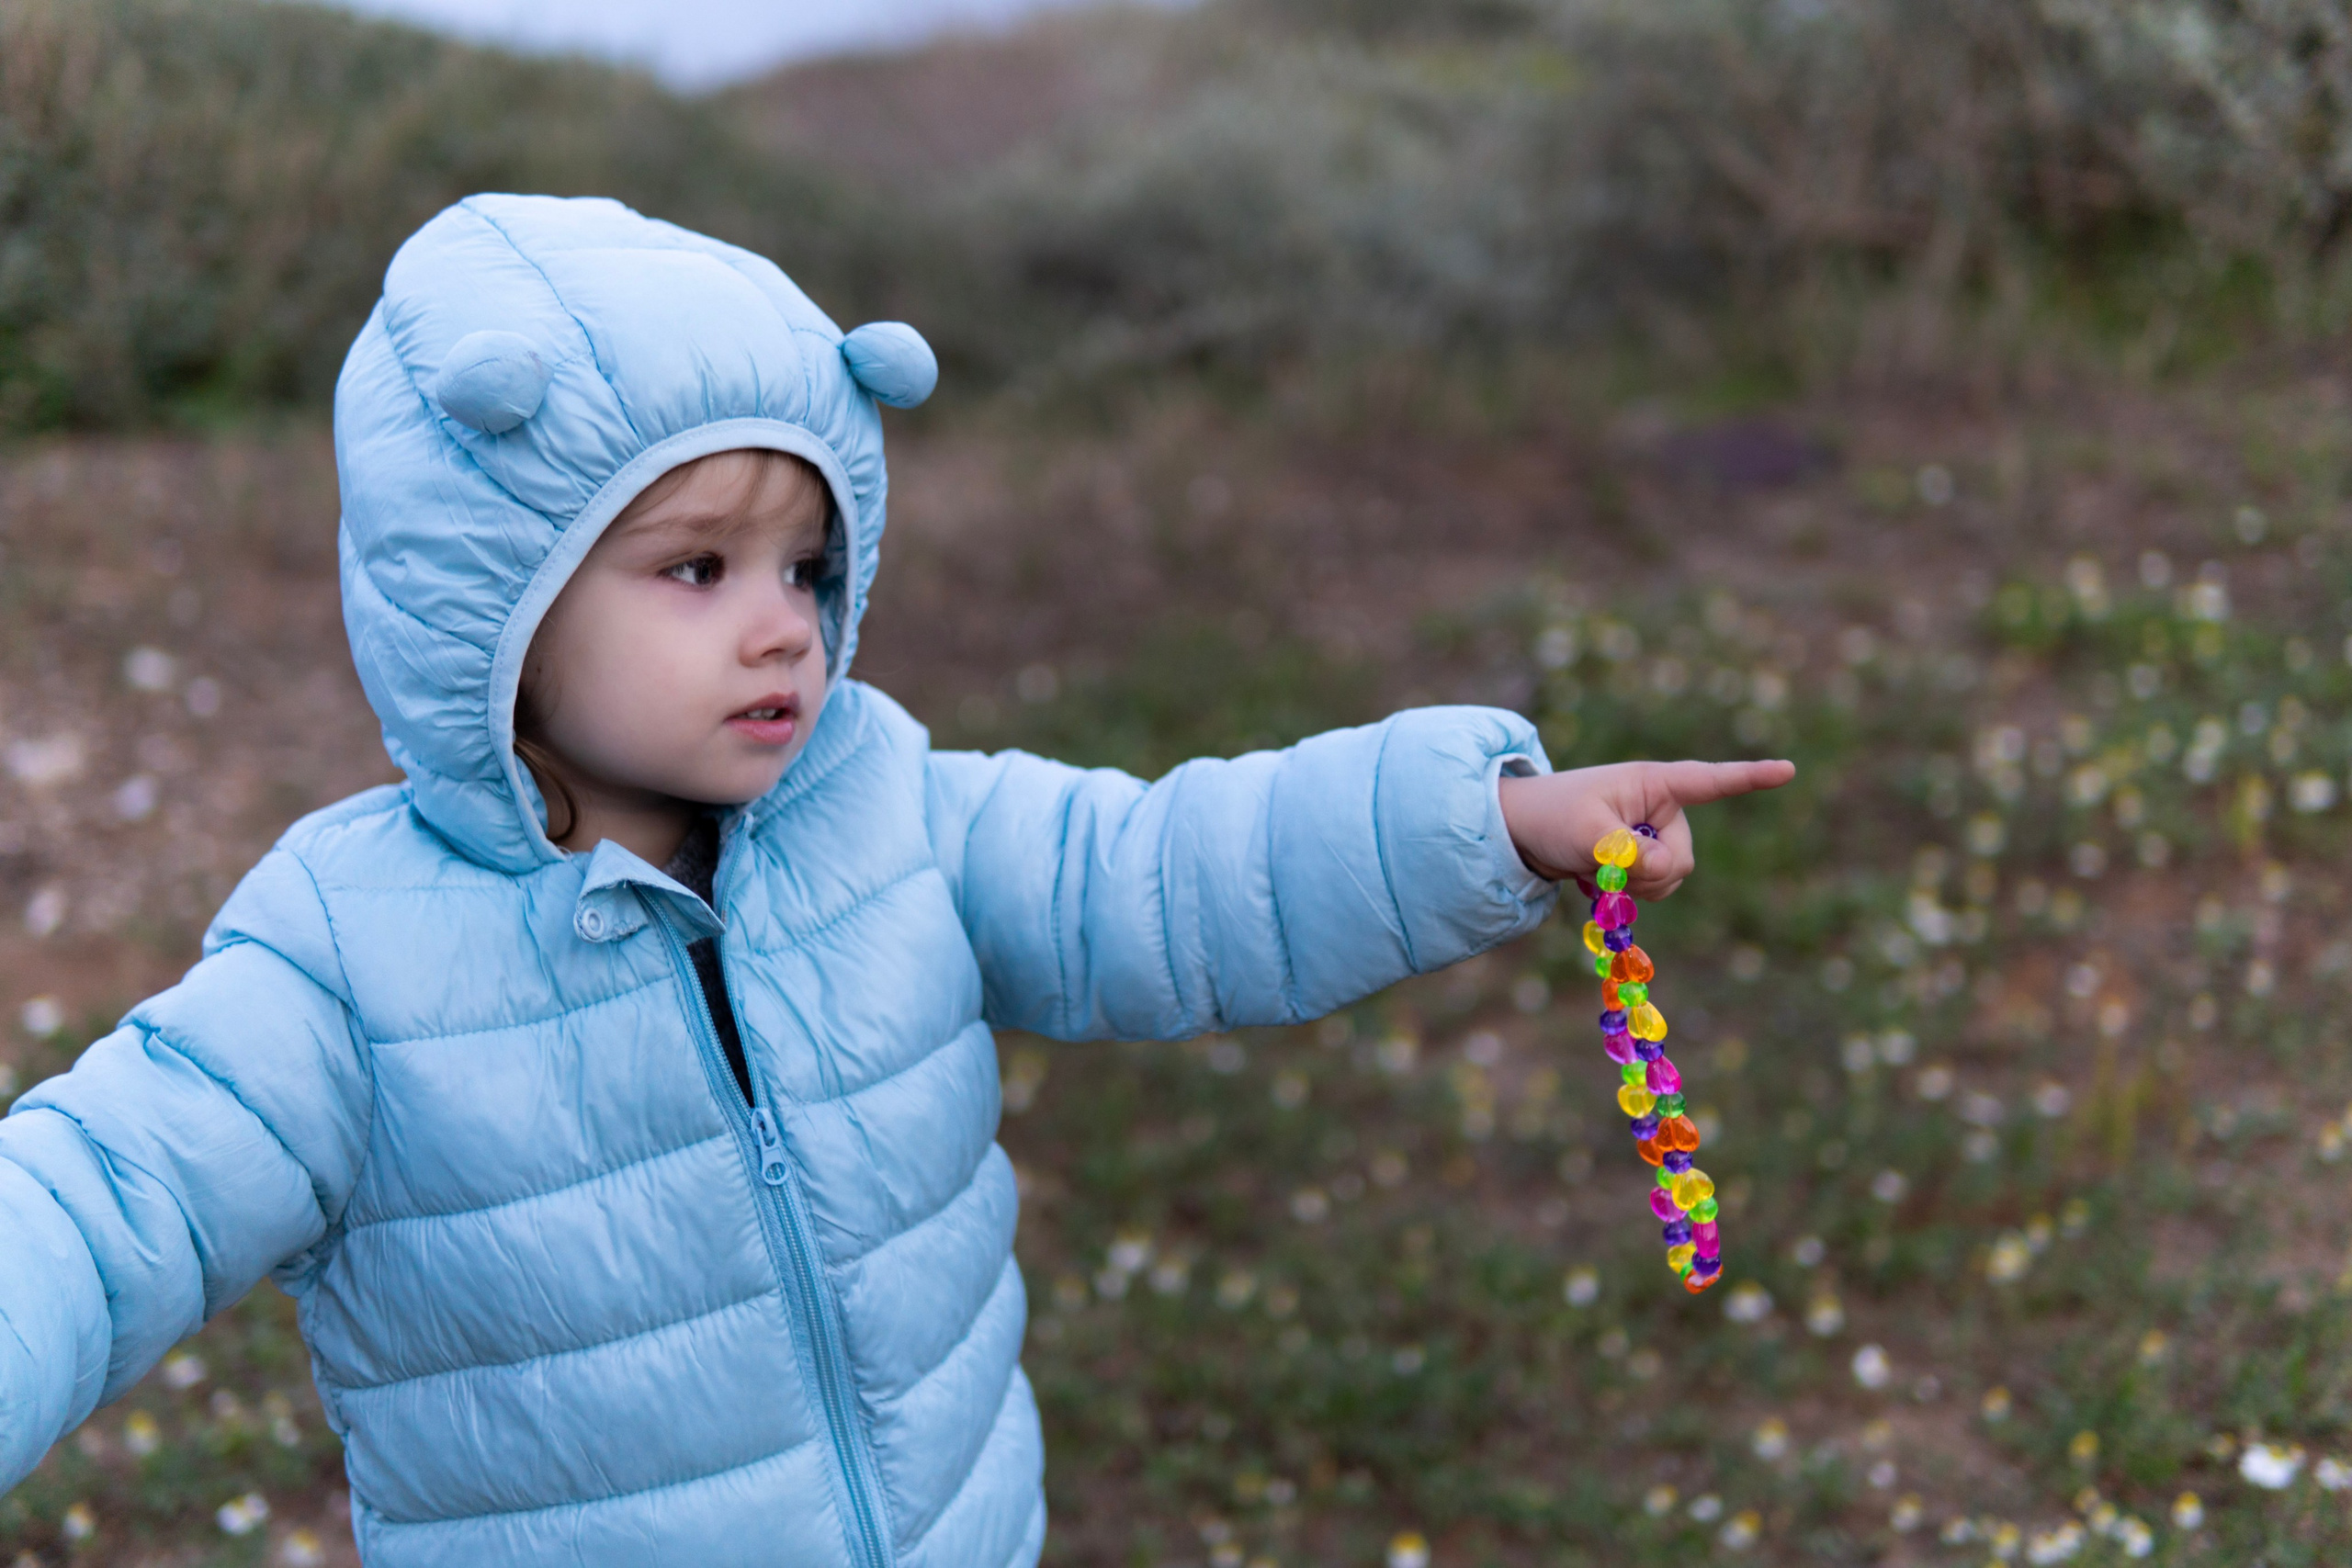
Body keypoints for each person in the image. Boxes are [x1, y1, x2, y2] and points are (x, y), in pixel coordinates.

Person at [0, 195, 1792, 1567]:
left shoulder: (888, 805)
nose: (784, 620)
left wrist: (1483, 822)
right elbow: (90, 1208)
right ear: (496, 604)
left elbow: (1164, 876)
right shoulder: (343, 961)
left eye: (805, 556)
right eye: (694, 568)